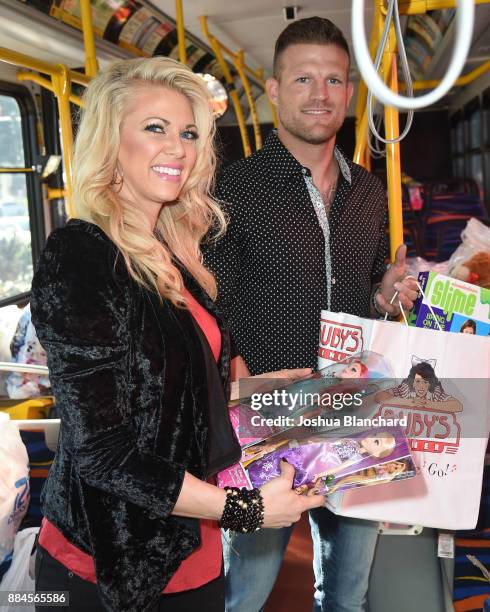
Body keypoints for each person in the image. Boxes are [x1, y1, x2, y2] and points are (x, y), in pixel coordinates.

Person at [30, 57, 324, 612]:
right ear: (111, 142)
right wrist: (248, 509)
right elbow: (103, 453)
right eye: (155, 128)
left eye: (188, 132)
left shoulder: (174, 253)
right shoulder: (80, 257)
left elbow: (172, 390)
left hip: (193, 544)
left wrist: (254, 390)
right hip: (107, 566)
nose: (178, 148)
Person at [203, 17, 418, 612]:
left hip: (353, 407)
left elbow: (370, 292)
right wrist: (237, 387)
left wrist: (386, 296)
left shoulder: (370, 192)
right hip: (266, 413)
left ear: (350, 92)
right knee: (245, 594)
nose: (319, 94)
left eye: (333, 80)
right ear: (273, 91)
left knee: (349, 595)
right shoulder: (233, 187)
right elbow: (215, 299)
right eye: (303, 79)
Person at [375, 361, 462, 413]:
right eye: (418, 381)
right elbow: (379, 397)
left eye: (425, 382)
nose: (421, 386)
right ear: (412, 383)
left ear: (430, 384)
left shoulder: (435, 394)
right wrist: (410, 402)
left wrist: (427, 404)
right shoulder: (405, 390)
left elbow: (458, 406)